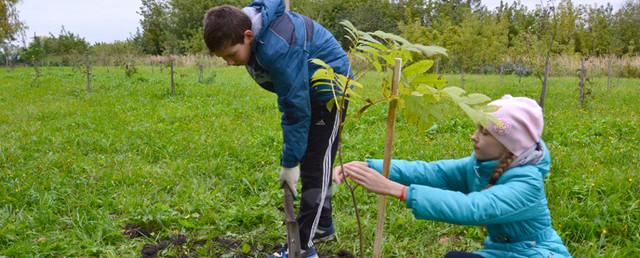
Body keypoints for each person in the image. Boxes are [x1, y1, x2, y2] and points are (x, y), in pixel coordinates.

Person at [334, 95, 572, 258]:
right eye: (477, 128)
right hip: (502, 252)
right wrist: (371, 166)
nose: (474, 136)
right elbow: (431, 172)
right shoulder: (481, 166)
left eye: (485, 132)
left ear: (509, 146)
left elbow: (473, 208)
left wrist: (399, 191)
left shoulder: (527, 182)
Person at [203, 0, 352, 257]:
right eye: (223, 58)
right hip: (304, 88)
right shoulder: (253, 35)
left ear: (248, 36)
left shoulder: (276, 48)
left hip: (330, 90)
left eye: (231, 55)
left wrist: (290, 162)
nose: (229, 63)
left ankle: (302, 248)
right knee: (310, 159)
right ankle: (323, 225)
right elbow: (292, 98)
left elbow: (295, 108)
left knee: (316, 162)